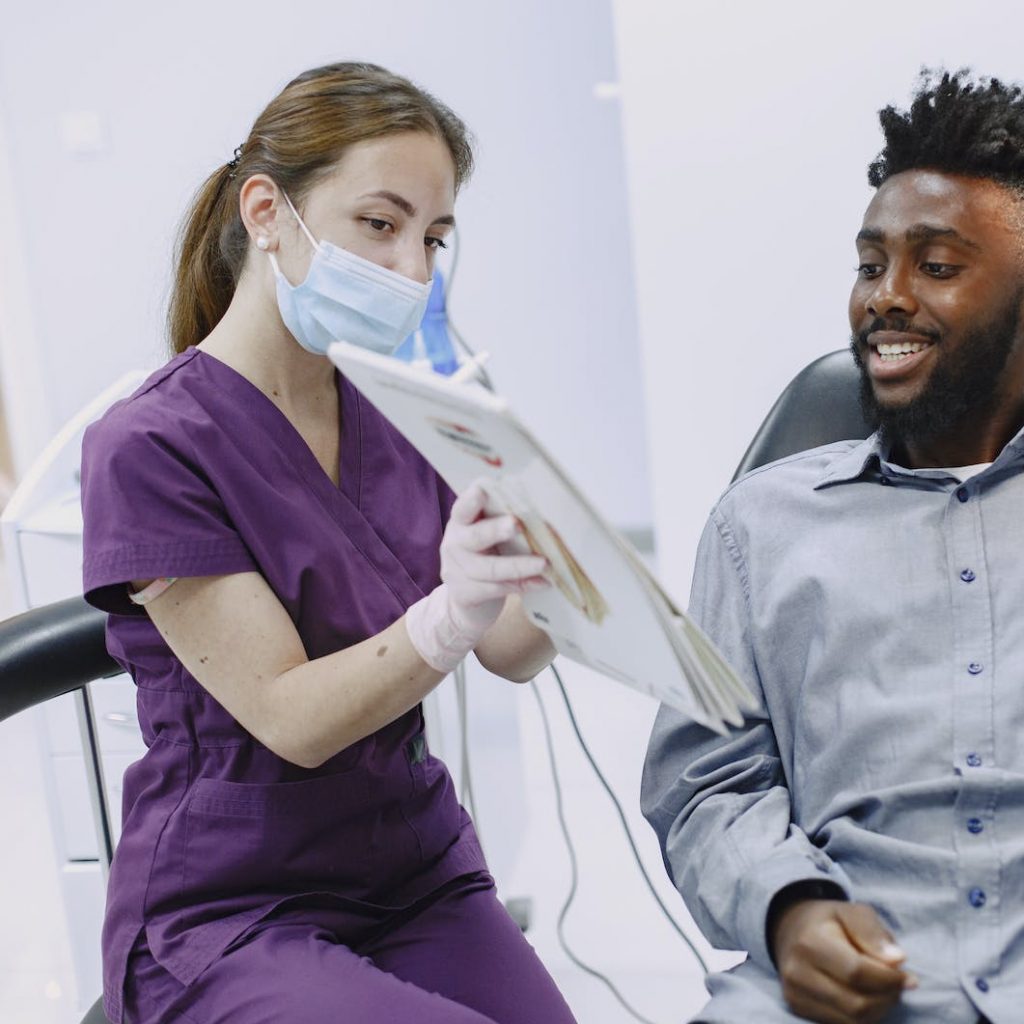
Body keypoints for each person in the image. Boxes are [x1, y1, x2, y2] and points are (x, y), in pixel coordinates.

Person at [80, 61, 577, 1024]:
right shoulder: (150, 447)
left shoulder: (403, 408)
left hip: (414, 868)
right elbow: (289, 720)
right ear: (267, 211)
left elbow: (513, 650)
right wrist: (449, 613)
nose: (414, 272)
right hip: (234, 904)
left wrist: (567, 567)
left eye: (434, 238)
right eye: (379, 226)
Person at [641, 69, 1024, 1024]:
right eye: (869, 265)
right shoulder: (758, 529)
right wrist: (791, 910)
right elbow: (705, 787)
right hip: (838, 990)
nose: (885, 299)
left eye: (936, 266)